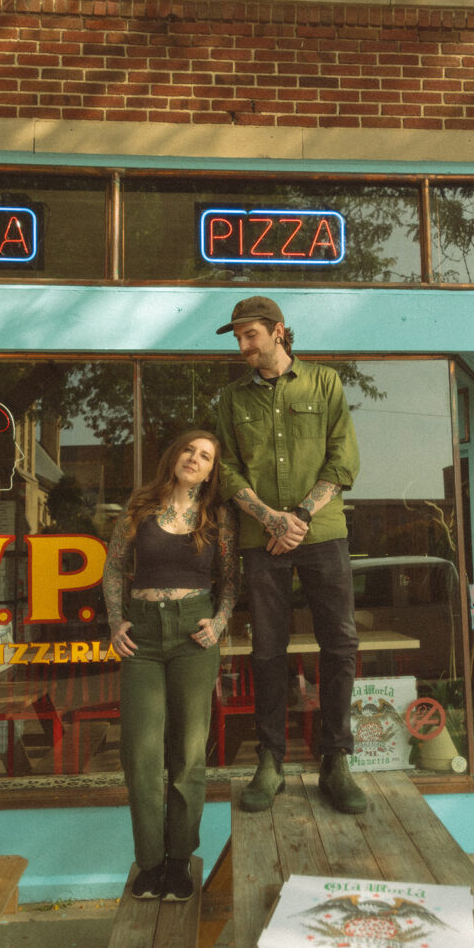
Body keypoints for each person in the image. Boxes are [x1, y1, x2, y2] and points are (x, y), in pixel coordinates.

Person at [215, 296, 367, 815]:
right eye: (237, 337)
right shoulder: (232, 399)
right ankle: (270, 762)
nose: (242, 346)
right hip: (262, 540)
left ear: (278, 331)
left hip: (322, 532)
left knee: (340, 643)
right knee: (267, 651)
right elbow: (228, 471)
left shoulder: (325, 383)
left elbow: (344, 458)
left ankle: (336, 760)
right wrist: (269, 519)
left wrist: (298, 516)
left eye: (249, 335)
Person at [102, 430, 239, 901]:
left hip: (192, 635)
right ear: (175, 455)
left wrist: (219, 622)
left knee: (188, 750)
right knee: (140, 752)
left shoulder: (216, 515)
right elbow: (115, 566)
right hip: (140, 635)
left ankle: (179, 861)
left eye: (205, 456)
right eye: (189, 450)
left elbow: (230, 580)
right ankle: (150, 862)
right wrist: (116, 619)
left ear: (211, 468)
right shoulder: (140, 506)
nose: (195, 459)